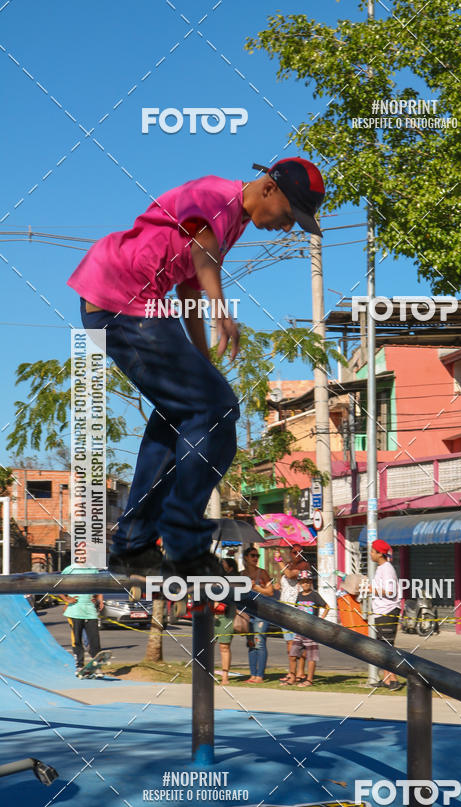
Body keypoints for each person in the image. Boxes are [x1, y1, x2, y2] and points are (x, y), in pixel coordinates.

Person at [69, 159, 325, 580]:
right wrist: (222, 310)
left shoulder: (234, 222)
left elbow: (189, 282)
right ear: (268, 190)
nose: (287, 228)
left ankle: (133, 545)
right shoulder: (215, 195)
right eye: (288, 215)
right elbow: (202, 247)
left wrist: (202, 359)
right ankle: (183, 541)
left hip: (129, 303)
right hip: (122, 297)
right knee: (219, 409)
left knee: (186, 411)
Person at [285, 570, 330, 687]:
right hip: (300, 630)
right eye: (302, 582)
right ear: (299, 583)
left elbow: (327, 607)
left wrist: (321, 619)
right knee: (293, 654)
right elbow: (296, 610)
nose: (305, 584)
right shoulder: (299, 596)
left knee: (311, 656)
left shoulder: (315, 595)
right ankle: (293, 676)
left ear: (310, 582)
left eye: (307, 582)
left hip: (312, 631)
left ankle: (309, 679)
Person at [367, 539, 402, 690]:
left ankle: (394, 680)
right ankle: (386, 678)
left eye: (373, 551)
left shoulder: (387, 568)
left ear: (380, 554)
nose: (370, 554)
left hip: (388, 611)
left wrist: (371, 590)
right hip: (381, 611)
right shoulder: (381, 568)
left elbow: (390, 591)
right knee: (382, 647)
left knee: (388, 647)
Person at [59, 564, 104, 673]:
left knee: (94, 640)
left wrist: (100, 600)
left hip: (90, 611)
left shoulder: (93, 569)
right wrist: (66, 599)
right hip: (75, 611)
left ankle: (96, 666)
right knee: (77, 639)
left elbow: (99, 587)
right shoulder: (69, 569)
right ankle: (79, 665)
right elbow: (57, 585)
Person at [241, 546, 274, 683]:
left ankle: (260, 675)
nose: (255, 558)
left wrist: (257, 587)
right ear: (246, 558)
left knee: (260, 643)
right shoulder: (242, 575)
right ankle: (252, 674)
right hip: (248, 612)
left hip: (261, 612)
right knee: (251, 643)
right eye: (252, 555)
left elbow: (270, 592)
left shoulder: (263, 573)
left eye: (257, 556)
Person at [274, 545, 306, 683]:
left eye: (299, 552)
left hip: (297, 609)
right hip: (284, 608)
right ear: (290, 553)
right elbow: (282, 580)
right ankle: (291, 672)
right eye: (294, 552)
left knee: (299, 643)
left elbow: (290, 575)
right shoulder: (288, 565)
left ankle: (300, 672)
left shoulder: (304, 565)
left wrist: (279, 560)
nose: (297, 554)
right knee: (289, 644)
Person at [214, 555, 238, 685]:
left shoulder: (233, 579)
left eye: (223, 563)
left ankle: (225, 677)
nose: (221, 565)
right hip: (211, 616)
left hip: (226, 615)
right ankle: (205, 673)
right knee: (207, 646)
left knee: (224, 646)